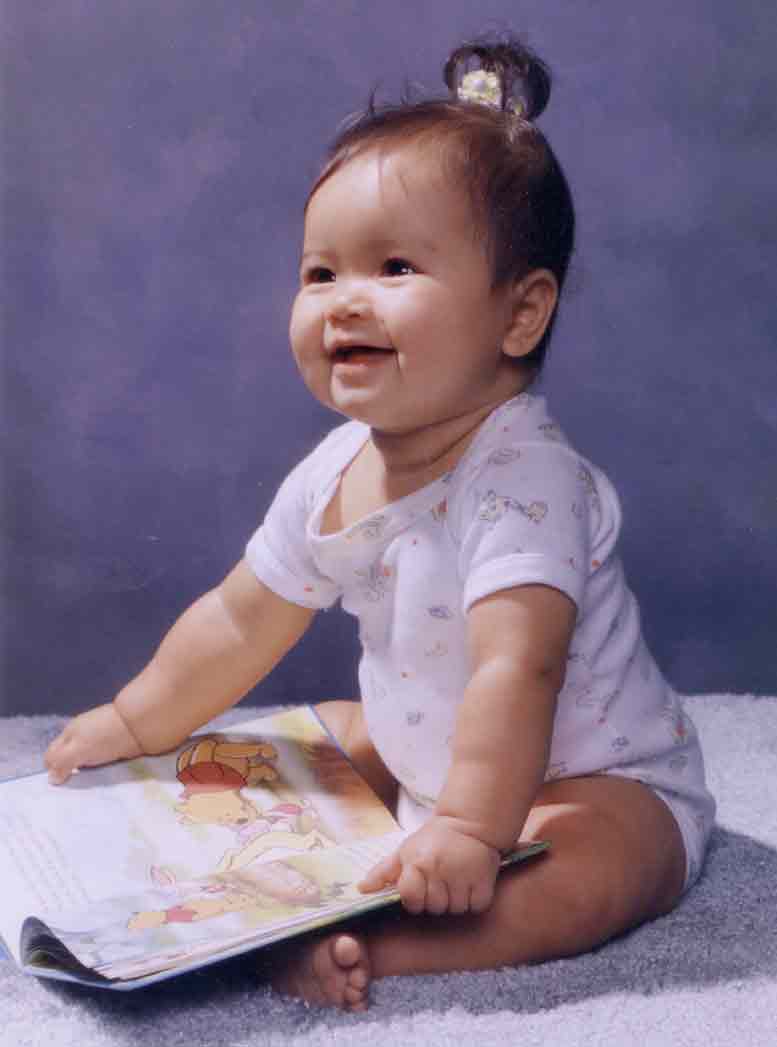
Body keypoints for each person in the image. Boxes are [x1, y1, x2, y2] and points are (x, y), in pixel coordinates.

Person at [45, 36, 715, 1012]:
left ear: (520, 315)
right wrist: (133, 721)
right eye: (320, 273)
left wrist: (472, 830)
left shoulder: (526, 478)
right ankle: (265, 881)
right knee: (308, 741)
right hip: (429, 760)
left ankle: (375, 941)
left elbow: (516, 668)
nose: (344, 301)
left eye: (394, 266)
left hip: (583, 779)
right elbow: (238, 620)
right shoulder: (334, 471)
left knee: (595, 866)